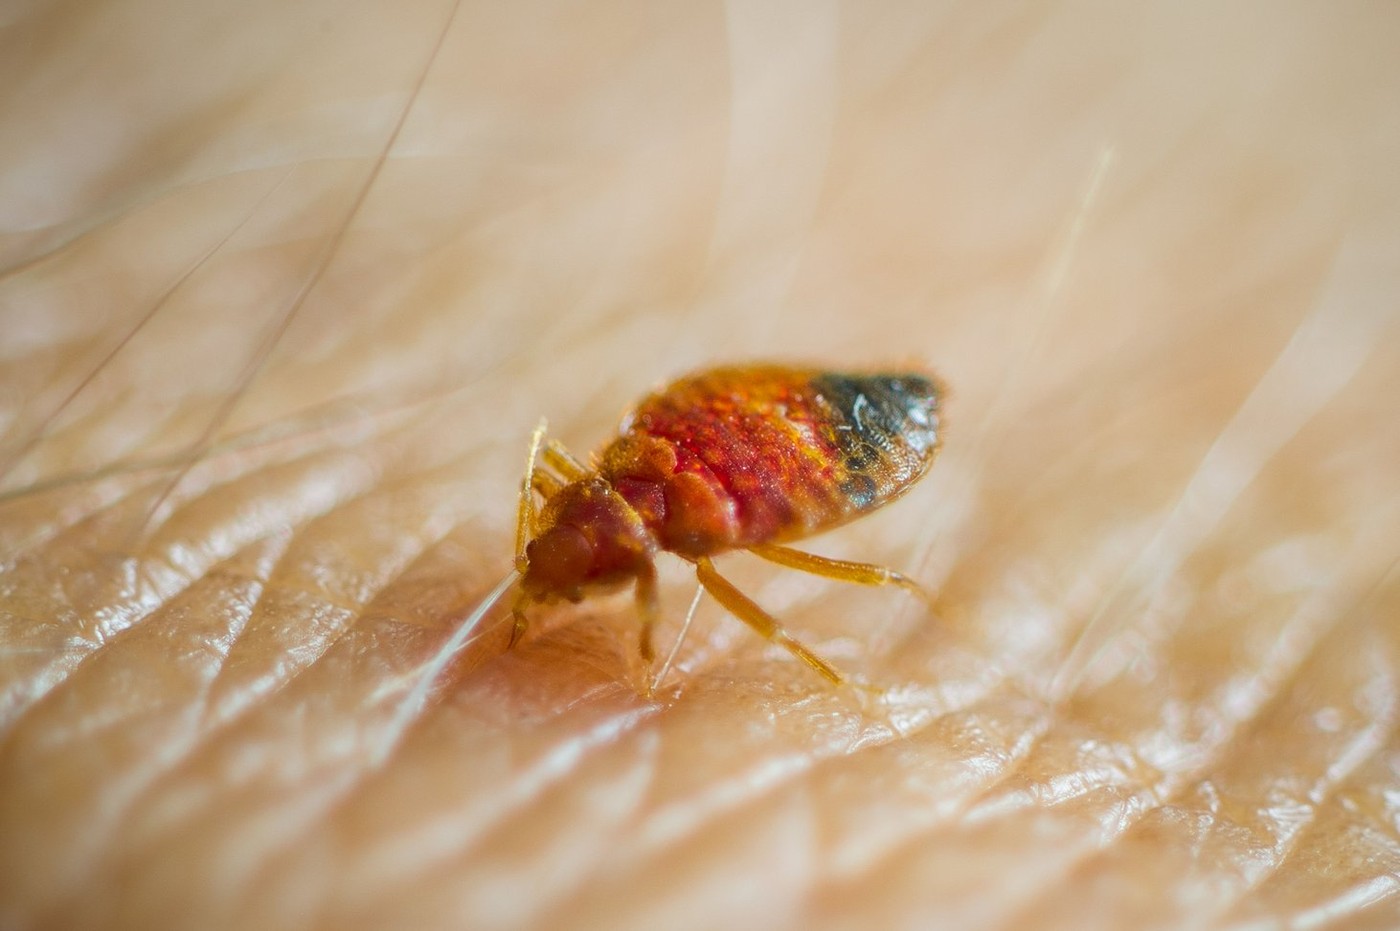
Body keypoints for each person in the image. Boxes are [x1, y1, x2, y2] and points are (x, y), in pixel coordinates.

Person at [2, 2, 1398, 928]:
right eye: (565, 546)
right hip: (749, 422)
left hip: (827, 440)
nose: (556, 563)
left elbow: (667, 562)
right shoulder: (615, 477)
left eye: (565, 552)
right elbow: (577, 488)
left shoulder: (686, 526)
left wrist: (648, 651)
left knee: (832, 584)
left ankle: (874, 656)